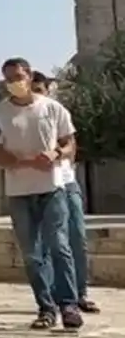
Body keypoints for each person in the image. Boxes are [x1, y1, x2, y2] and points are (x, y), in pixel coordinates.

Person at [0, 57, 81, 331]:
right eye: (8, 79)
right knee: (31, 252)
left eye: (18, 76)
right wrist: (12, 160)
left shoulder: (52, 108)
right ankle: (46, 307)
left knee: (59, 245)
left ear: (29, 76)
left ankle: (69, 304)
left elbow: (69, 143)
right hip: (19, 191)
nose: (14, 83)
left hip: (51, 187)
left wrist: (55, 154)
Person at [32, 71, 98, 313]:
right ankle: (53, 296)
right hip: (42, 185)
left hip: (66, 182)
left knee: (76, 238)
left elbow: (71, 146)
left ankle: (79, 292)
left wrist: (57, 153)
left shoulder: (57, 111)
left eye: (40, 90)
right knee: (49, 243)